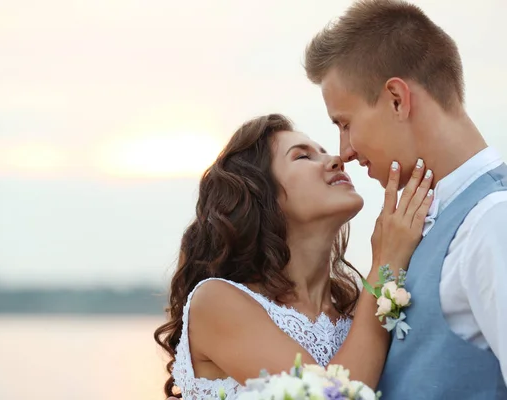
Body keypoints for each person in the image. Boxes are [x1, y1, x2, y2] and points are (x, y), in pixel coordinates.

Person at [303, 0, 507, 398]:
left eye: (346, 123)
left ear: (397, 99)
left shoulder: (493, 221)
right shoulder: (429, 223)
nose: (343, 151)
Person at [154, 113, 433, 399]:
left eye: (323, 152)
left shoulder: (354, 315)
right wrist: (385, 264)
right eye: (302, 157)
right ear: (263, 196)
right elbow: (328, 397)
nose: (336, 159)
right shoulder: (216, 302)